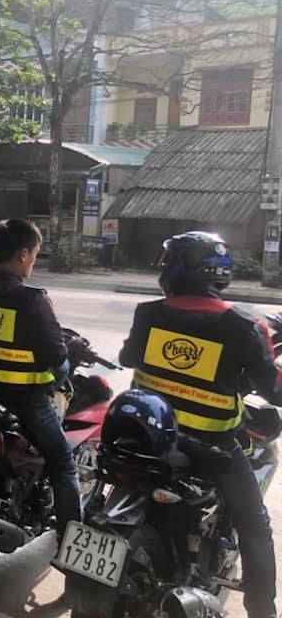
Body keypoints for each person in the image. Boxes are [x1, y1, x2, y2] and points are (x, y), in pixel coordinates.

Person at [120, 232, 282, 618]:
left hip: (146, 436)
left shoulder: (150, 312)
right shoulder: (243, 325)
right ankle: (263, 610)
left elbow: (128, 357)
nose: (161, 270)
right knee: (255, 525)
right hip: (213, 449)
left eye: (166, 262)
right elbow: (272, 389)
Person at [0, 218, 77, 536]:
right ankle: (72, 542)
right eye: (35, 256)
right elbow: (57, 357)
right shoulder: (33, 300)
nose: (34, 263)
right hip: (27, 403)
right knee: (65, 463)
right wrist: (62, 369)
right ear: (23, 254)